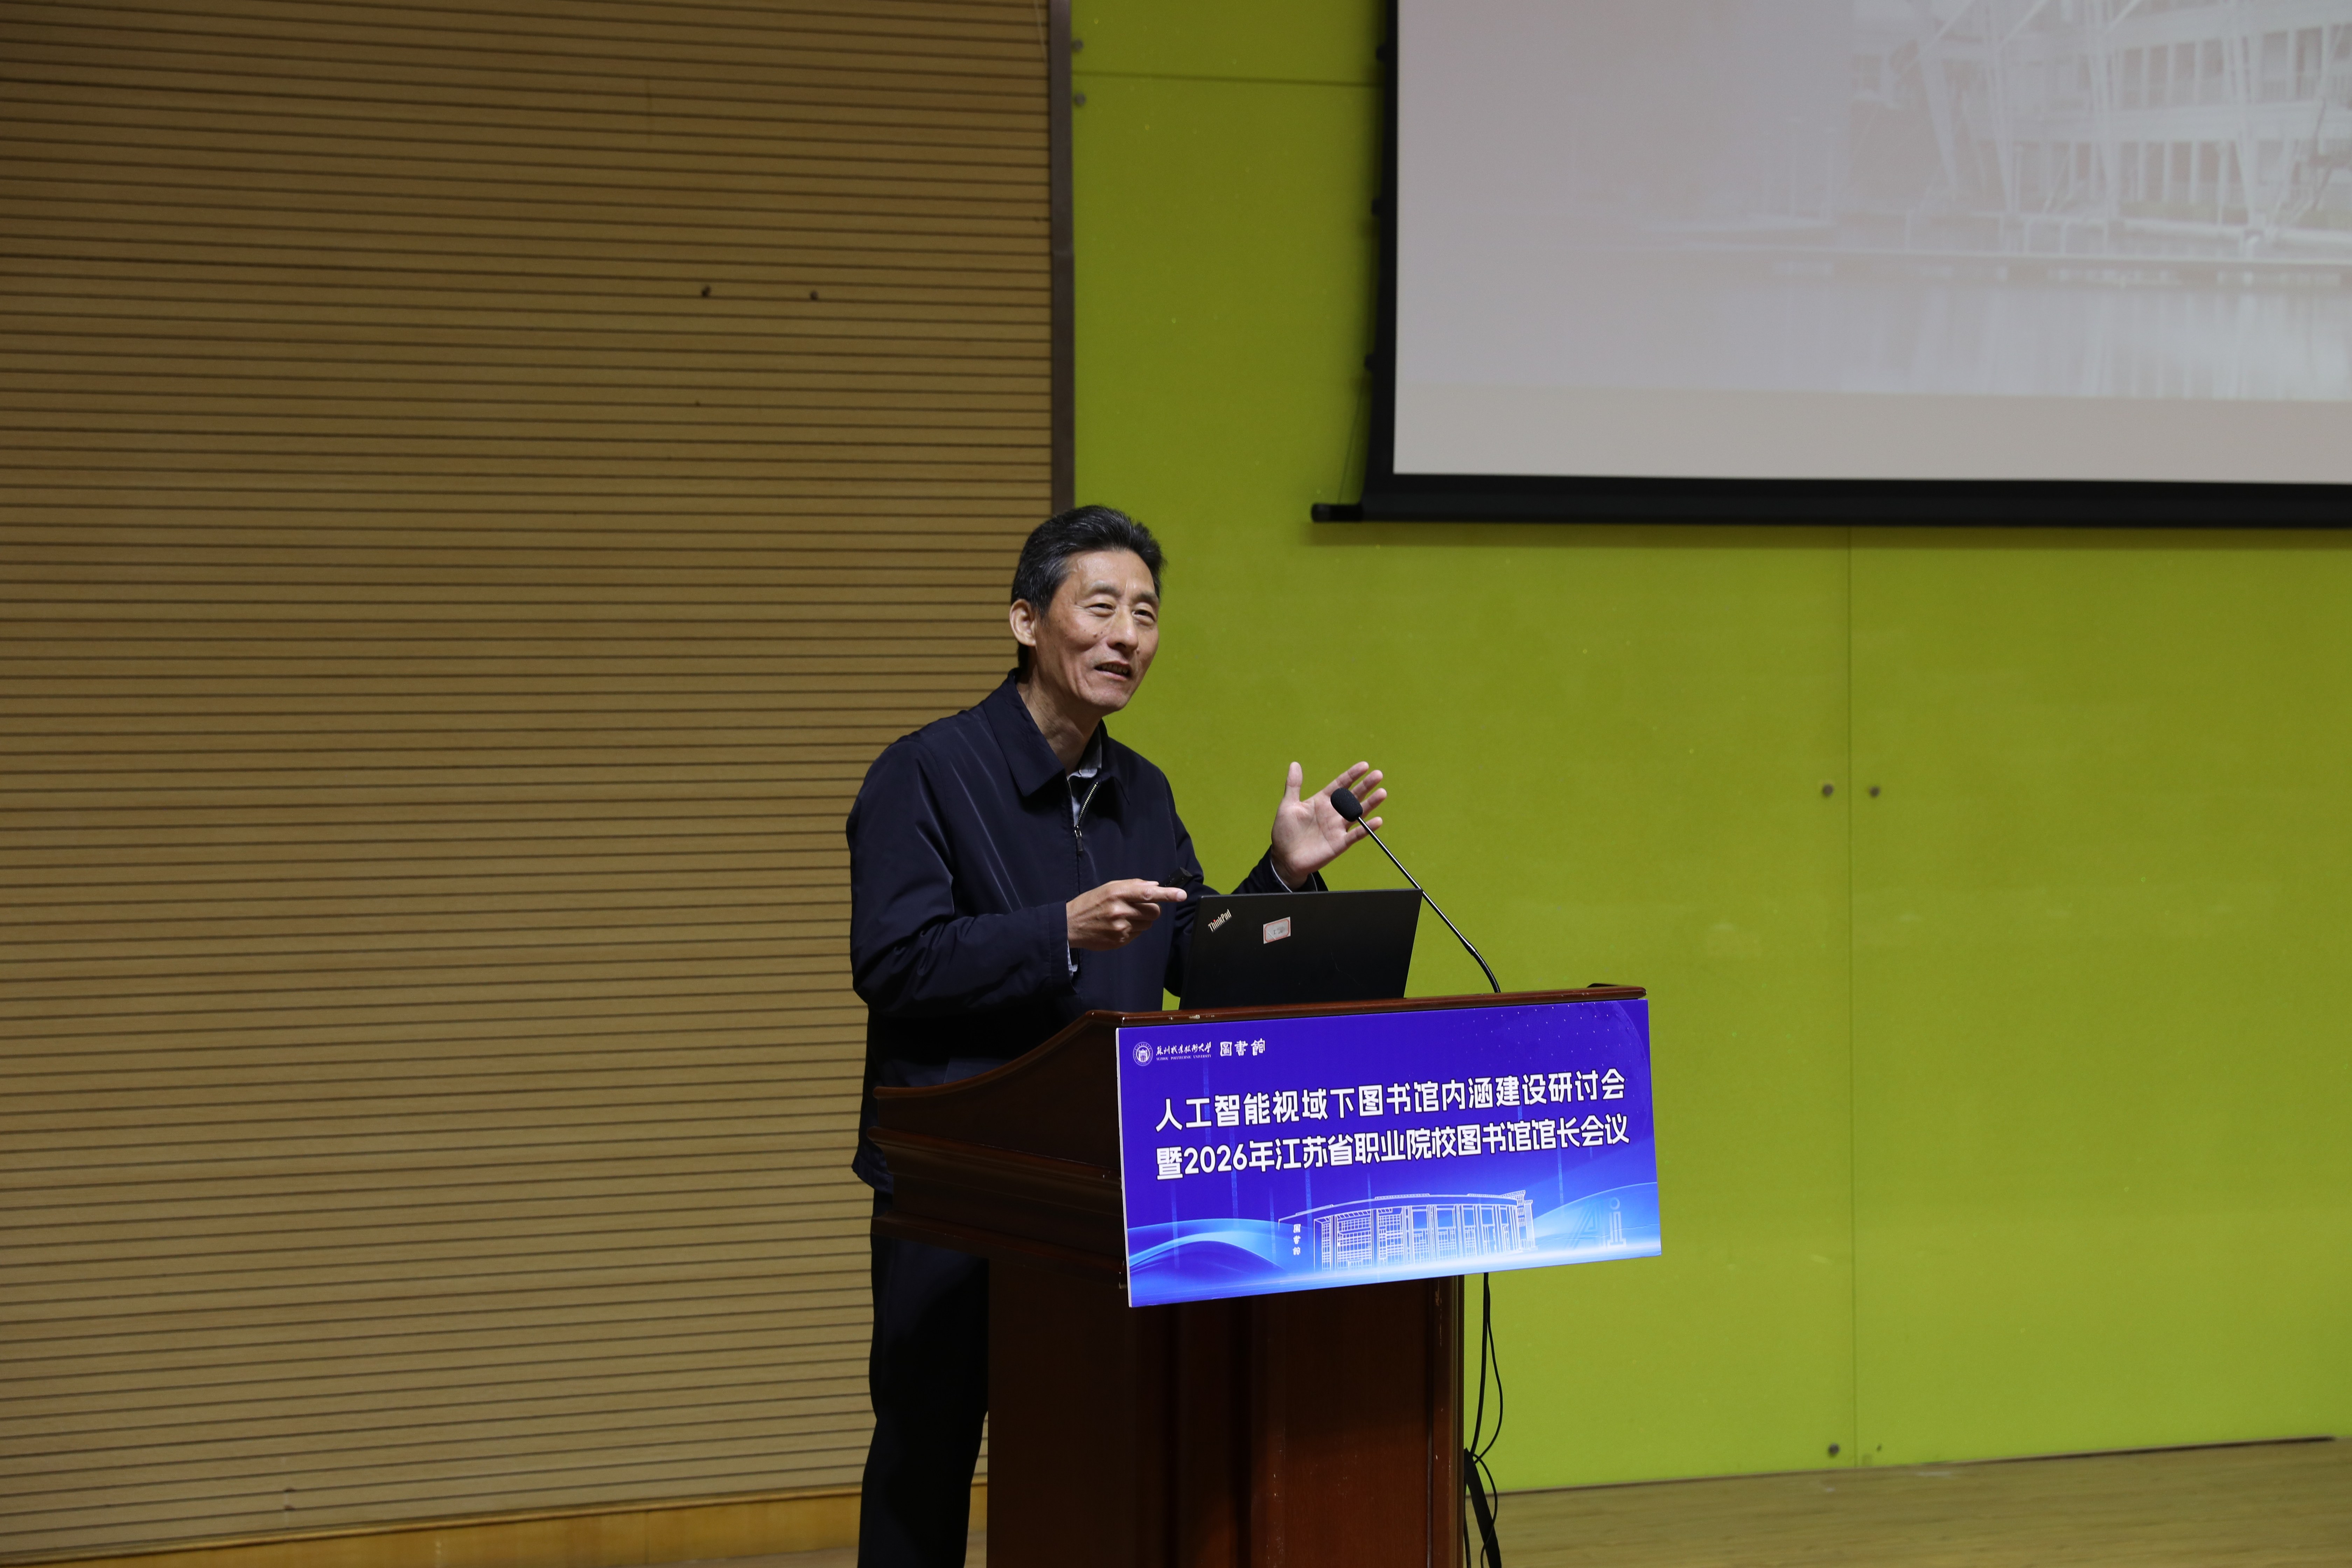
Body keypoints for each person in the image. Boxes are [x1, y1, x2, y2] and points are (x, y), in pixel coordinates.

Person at [844, 505, 1387, 1567]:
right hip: (963, 1183)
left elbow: (1196, 966)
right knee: (928, 1453)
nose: (1127, 636)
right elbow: (894, 964)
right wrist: (1059, 931)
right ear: (1026, 622)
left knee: (1092, 1447)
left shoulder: (1143, 790)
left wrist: (1281, 878)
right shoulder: (926, 773)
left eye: (1146, 613)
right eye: (1100, 607)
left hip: (1108, 1189)